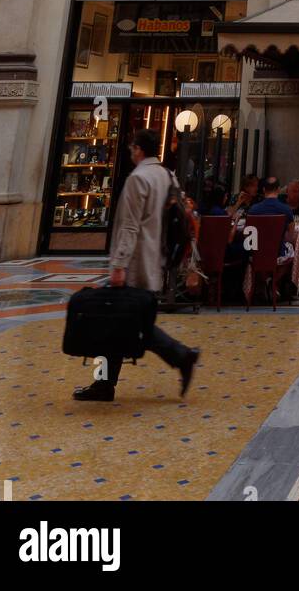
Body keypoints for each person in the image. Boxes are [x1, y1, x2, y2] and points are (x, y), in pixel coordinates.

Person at [73, 129, 199, 402]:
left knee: (116, 323)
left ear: (139, 149)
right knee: (125, 323)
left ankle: (182, 356)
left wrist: (119, 264)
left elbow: (130, 225)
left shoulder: (138, 179)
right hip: (155, 259)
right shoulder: (167, 175)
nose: (131, 151)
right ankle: (105, 384)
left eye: (132, 147)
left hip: (134, 262)